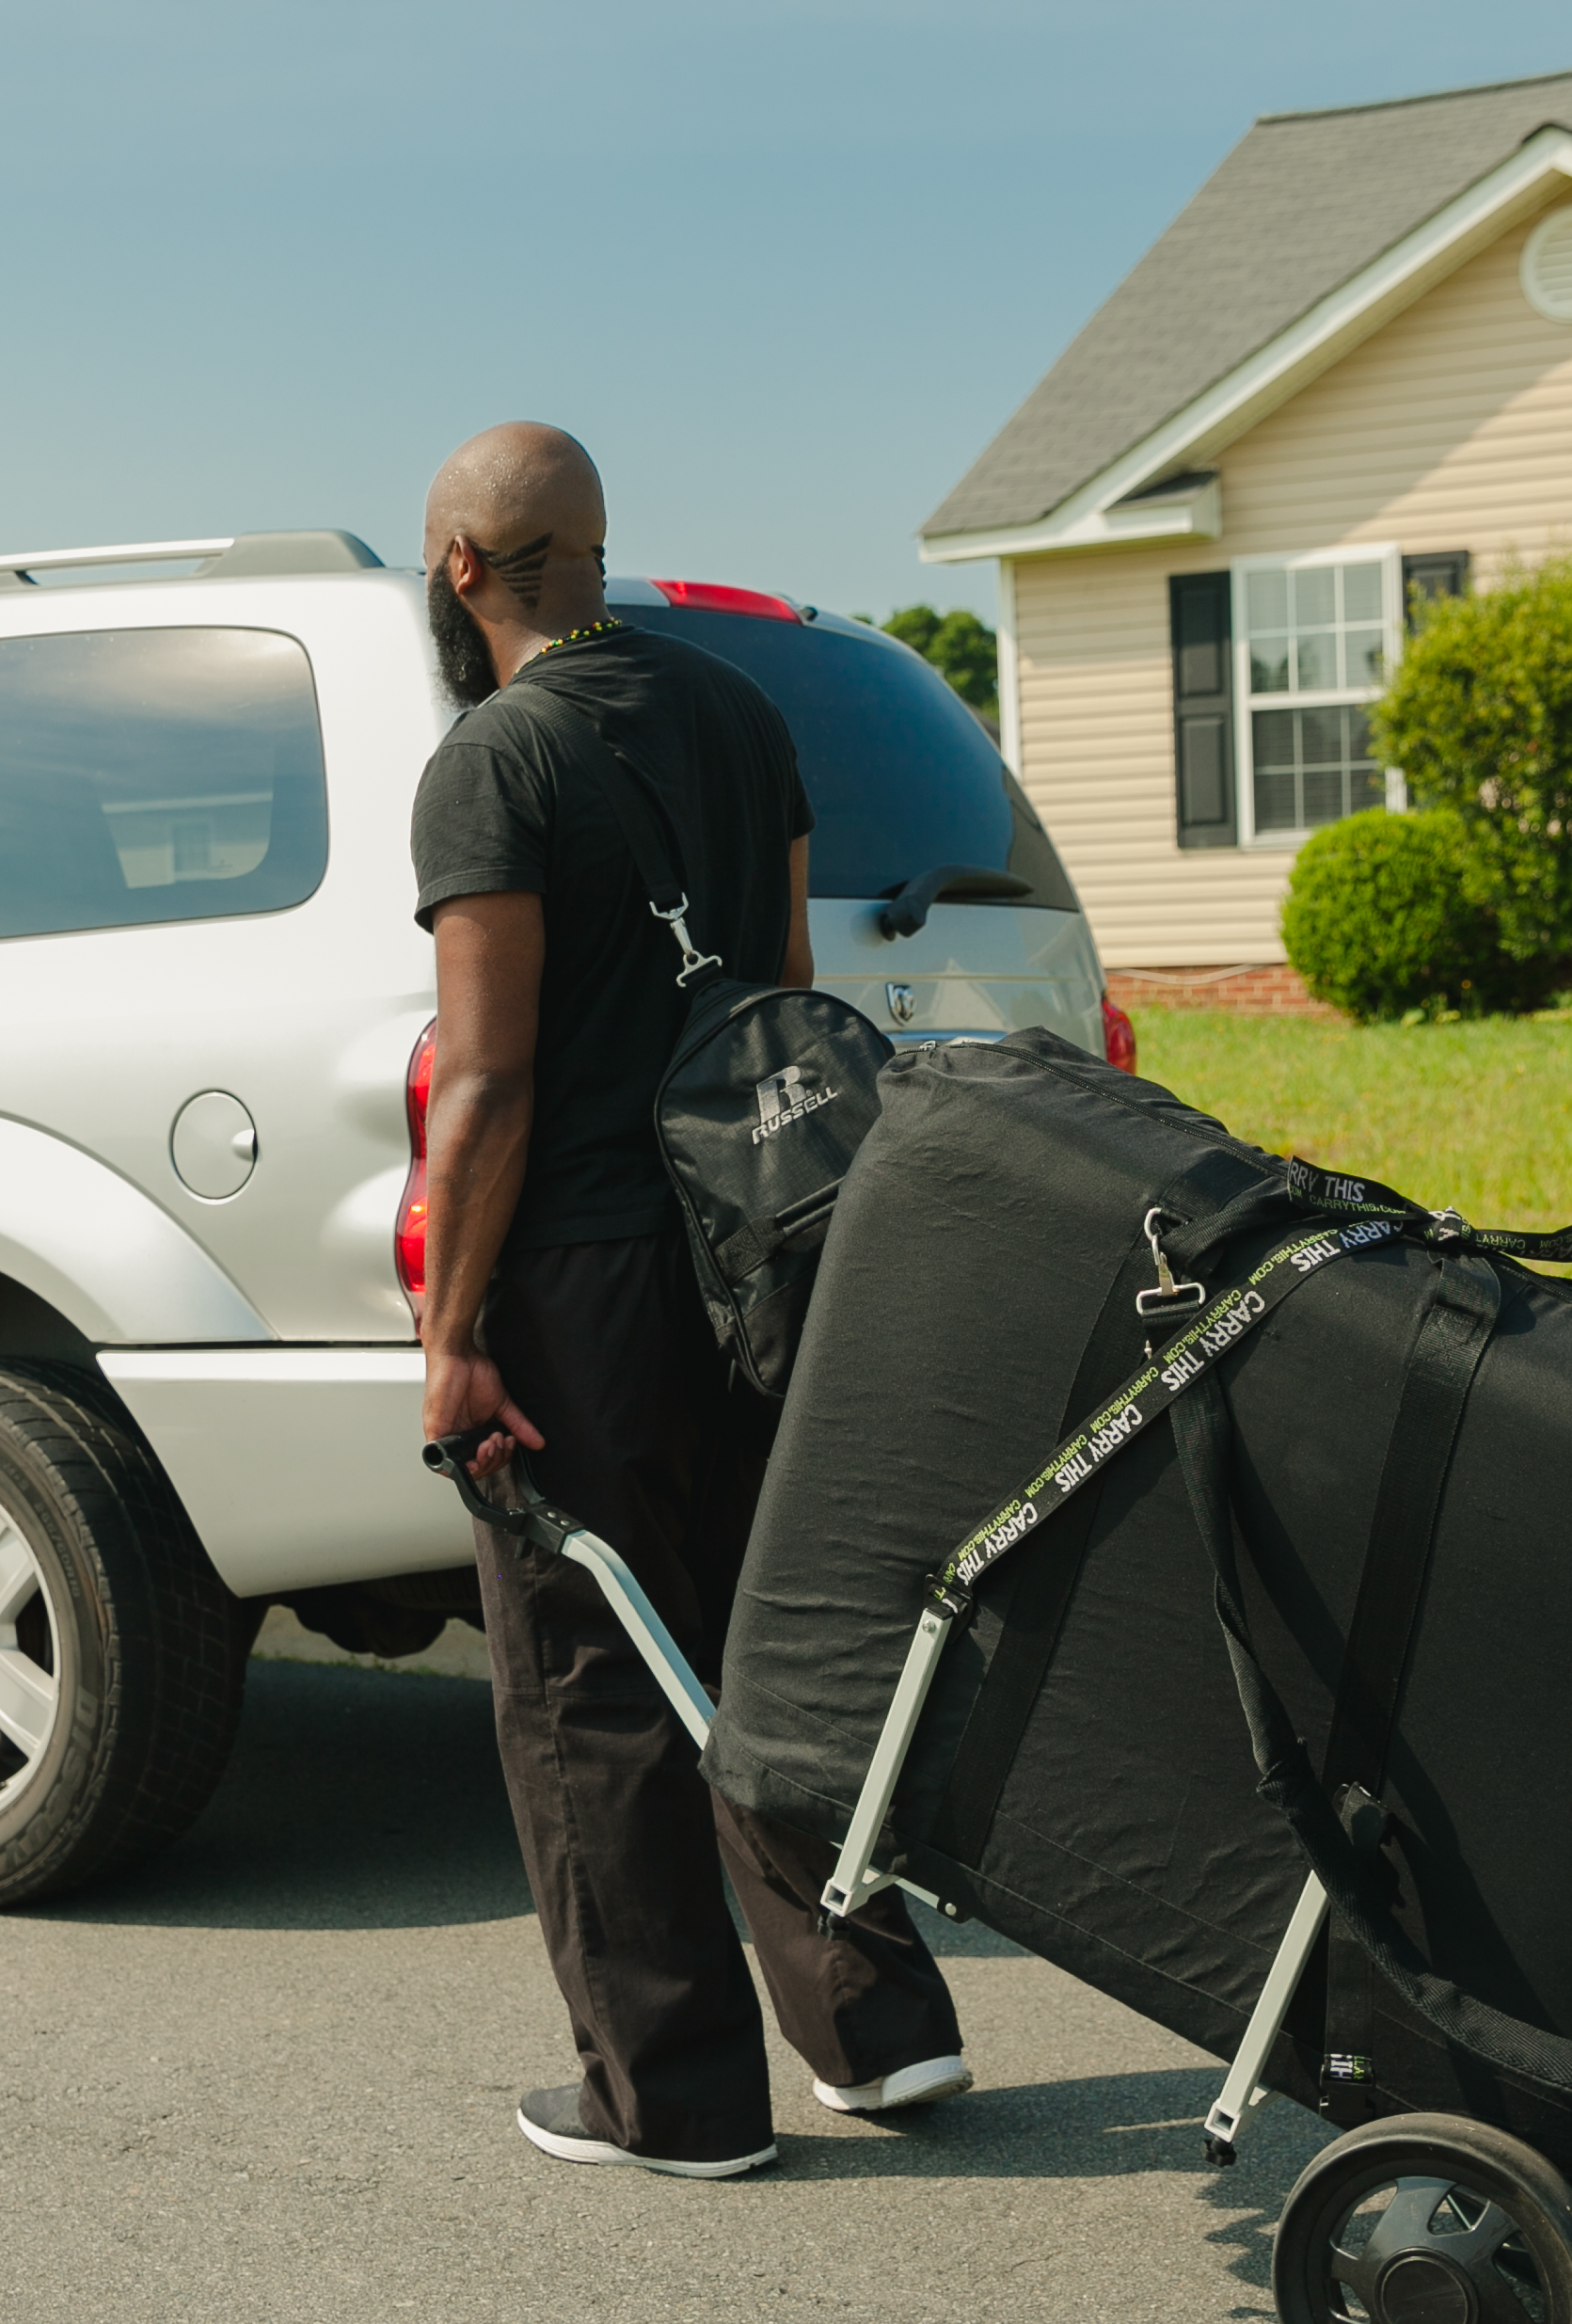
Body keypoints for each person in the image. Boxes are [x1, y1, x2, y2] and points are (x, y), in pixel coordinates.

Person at [407, 422, 966, 2179]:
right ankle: (878, 2027)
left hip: (581, 1276)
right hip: (759, 1245)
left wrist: (451, 1337)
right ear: (593, 546)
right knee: (763, 1644)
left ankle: (673, 2097)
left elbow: (485, 1086)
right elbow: (784, 995)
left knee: (584, 1684)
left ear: (462, 569)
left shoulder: (494, 758)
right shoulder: (738, 713)